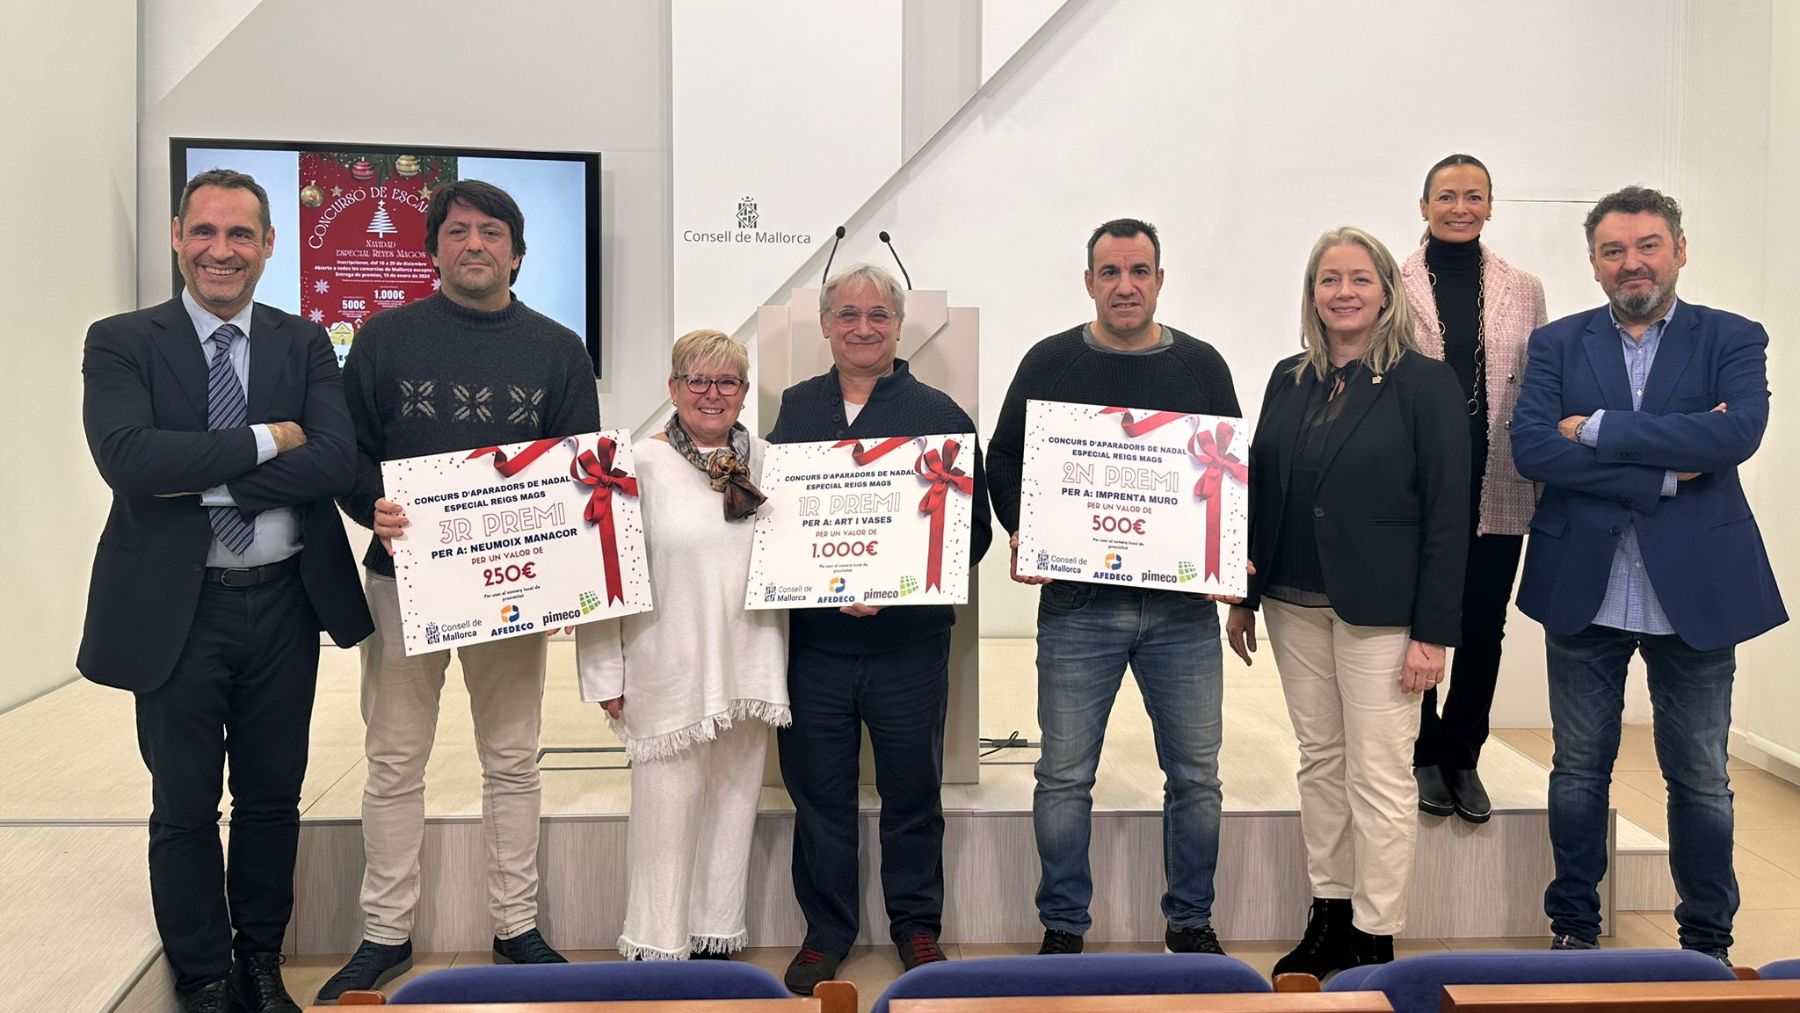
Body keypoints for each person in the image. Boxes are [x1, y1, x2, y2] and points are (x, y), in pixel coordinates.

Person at [78, 168, 373, 1013]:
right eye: (204, 232)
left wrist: (204, 476)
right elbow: (129, 460)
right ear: (177, 236)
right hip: (179, 609)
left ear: (270, 244)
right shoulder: (122, 340)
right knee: (183, 801)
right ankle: (203, 975)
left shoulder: (304, 342)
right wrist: (266, 439)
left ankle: (259, 963)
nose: (221, 250)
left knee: (273, 794)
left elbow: (331, 462)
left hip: (284, 600)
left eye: (240, 234)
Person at [319, 180, 600, 1002]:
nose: (474, 244)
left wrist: (564, 581)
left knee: (512, 760)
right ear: (434, 248)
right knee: (394, 758)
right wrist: (364, 502)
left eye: (491, 232)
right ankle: (384, 933)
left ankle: (516, 925)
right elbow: (349, 450)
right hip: (403, 578)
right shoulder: (382, 338)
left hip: (509, 589)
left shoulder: (559, 348)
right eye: (457, 231)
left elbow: (578, 466)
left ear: (516, 251)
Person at [1511, 186, 1785, 962]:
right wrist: (1661, 473)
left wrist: (1598, 429)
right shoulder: (1558, 344)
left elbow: (1736, 436)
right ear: (1594, 262)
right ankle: (1573, 927)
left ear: (1680, 249)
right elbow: (1533, 449)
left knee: (1700, 778)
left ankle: (1706, 941)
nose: (1632, 262)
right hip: (1583, 584)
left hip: (1697, 587)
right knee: (1577, 770)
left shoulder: (1731, 336)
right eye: (1613, 250)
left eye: (1648, 245)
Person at [987, 219, 1240, 957]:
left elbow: (1225, 477)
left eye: (1139, 270)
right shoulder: (1049, 362)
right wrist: (1024, 532)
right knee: (1064, 774)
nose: (1124, 285)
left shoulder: (1202, 365)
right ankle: (1064, 925)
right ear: (1088, 279)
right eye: (1110, 271)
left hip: (1182, 608)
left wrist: (1226, 555)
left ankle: (1190, 922)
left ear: (1159, 278)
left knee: (1196, 775)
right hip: (1077, 604)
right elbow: (1006, 459)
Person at [1229, 226, 1469, 979]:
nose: (1343, 292)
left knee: (1378, 771)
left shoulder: (1424, 382)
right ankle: (1329, 910)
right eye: (1328, 280)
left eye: (1359, 278)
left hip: (1384, 614)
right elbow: (1260, 491)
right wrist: (1244, 596)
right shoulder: (1286, 377)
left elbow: (1447, 512)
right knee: (1321, 762)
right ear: (1312, 294)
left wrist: (1433, 633)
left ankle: (1375, 932)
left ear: (1386, 291)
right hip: (1292, 603)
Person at [770, 263, 992, 994]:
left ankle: (915, 925)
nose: (863, 327)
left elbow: (974, 533)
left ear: (899, 326)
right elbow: (775, 523)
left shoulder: (940, 414)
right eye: (848, 315)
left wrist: (892, 590)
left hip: (908, 645)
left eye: (877, 315)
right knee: (820, 795)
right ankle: (826, 931)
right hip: (818, 648)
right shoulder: (797, 412)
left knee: (912, 790)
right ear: (827, 325)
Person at [575, 329, 788, 960]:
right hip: (664, 667)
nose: (712, 394)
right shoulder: (637, 464)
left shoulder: (771, 463)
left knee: (732, 807)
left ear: (744, 394)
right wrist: (603, 671)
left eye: (727, 382)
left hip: (749, 664)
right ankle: (656, 946)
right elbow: (602, 572)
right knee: (666, 821)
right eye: (697, 380)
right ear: (673, 389)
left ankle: (716, 938)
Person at [1399, 154, 1548, 824]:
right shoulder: (1392, 281)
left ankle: (1463, 752)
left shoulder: (1525, 287)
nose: (1460, 207)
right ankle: (1420, 748)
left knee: (1483, 625)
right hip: (1415, 486)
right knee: (1415, 622)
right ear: (1424, 204)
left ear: (1491, 206)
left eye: (1474, 196)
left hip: (1500, 479)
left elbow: (1541, 385)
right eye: (1446, 195)